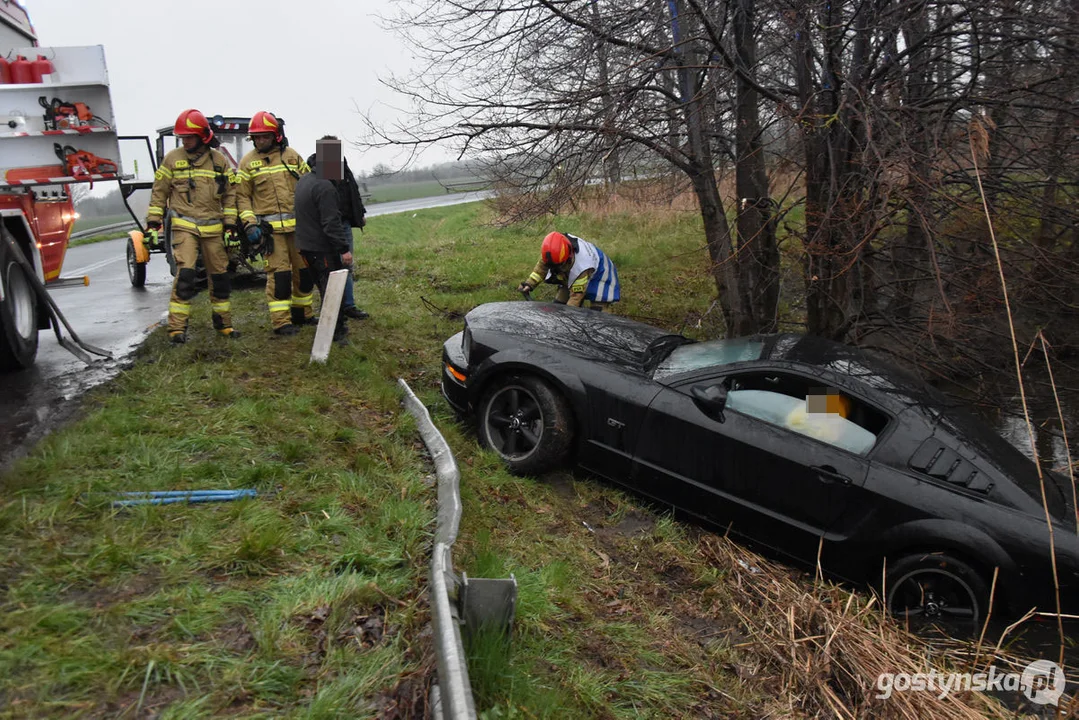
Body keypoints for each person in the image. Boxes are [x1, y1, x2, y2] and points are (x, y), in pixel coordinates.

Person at [146, 109, 240, 344]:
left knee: (220, 277)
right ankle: (177, 329)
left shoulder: (219, 161)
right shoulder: (172, 159)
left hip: (214, 229)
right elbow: (160, 192)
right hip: (184, 226)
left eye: (189, 137)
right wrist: (153, 224)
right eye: (182, 137)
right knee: (186, 274)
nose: (185, 141)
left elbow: (230, 195)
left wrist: (230, 226)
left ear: (202, 137)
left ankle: (223, 325)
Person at [235, 111, 314, 336]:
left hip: (298, 229)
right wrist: (250, 224)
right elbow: (242, 197)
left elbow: (308, 186)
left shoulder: (292, 156)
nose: (260, 141)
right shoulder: (247, 163)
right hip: (271, 233)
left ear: (276, 135)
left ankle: (303, 313)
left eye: (264, 136)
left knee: (304, 271)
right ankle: (281, 322)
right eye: (256, 138)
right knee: (280, 276)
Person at [295, 148, 353, 345]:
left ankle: (331, 328)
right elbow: (331, 223)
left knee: (322, 287)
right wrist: (344, 249)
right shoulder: (325, 187)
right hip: (321, 248)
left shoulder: (304, 180)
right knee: (332, 291)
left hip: (305, 246)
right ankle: (336, 333)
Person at [517, 231, 621, 311]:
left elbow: (576, 296)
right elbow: (541, 269)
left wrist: (569, 318)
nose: (555, 269)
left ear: (569, 256)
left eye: (558, 266)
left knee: (598, 313)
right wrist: (529, 284)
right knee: (559, 305)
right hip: (572, 272)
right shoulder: (553, 252)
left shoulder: (582, 266)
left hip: (601, 273)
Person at [332, 145, 368, 320]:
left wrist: (360, 213)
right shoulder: (318, 176)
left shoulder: (344, 169)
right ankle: (334, 308)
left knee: (347, 265)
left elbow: (353, 192)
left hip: (344, 222)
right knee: (332, 267)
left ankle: (348, 305)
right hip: (330, 226)